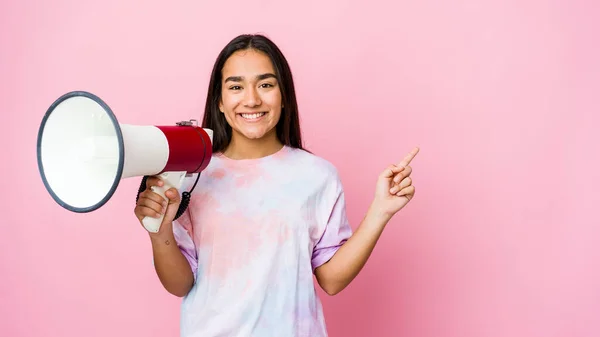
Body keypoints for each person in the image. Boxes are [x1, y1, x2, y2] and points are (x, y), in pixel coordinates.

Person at [134, 33, 419, 337]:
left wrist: (380, 212)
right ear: (219, 100)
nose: (252, 99)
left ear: (284, 96)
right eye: (236, 87)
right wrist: (160, 231)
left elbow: (332, 280)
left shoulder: (318, 176)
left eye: (266, 85)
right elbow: (180, 284)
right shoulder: (194, 175)